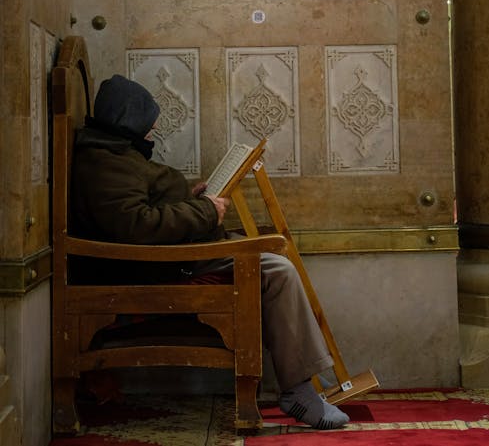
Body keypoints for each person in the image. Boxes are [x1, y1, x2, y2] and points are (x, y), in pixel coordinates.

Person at [72, 74, 350, 431]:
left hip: (178, 254)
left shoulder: (111, 153)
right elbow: (136, 226)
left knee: (273, 255)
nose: (152, 133)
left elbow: (142, 210)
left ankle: (305, 377)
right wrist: (204, 211)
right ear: (127, 119)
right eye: (148, 126)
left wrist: (194, 200)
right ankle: (299, 390)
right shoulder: (105, 161)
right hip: (163, 267)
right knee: (276, 270)